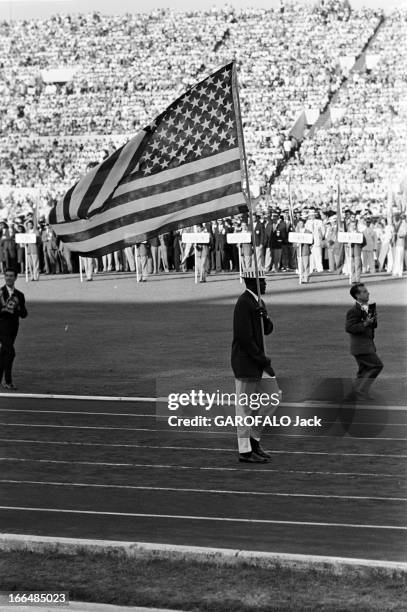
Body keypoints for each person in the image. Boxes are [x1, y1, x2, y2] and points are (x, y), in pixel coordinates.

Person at [231, 269, 281, 463]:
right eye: (263, 280)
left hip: (258, 362)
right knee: (243, 409)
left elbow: (267, 330)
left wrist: (265, 317)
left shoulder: (258, 301)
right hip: (246, 363)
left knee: (273, 397)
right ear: (252, 282)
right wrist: (263, 360)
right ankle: (245, 451)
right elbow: (244, 338)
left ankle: (254, 438)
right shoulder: (244, 303)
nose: (266, 283)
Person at [345, 283, 383, 401]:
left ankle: (352, 395)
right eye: (364, 291)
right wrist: (365, 323)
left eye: (367, 291)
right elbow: (350, 328)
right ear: (357, 295)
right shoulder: (353, 311)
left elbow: (372, 326)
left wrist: (371, 321)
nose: (368, 293)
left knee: (364, 371)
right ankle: (360, 392)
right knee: (376, 366)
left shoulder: (368, 307)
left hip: (367, 345)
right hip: (361, 347)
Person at [0, 268, 28, 390]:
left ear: (16, 278)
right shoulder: (0, 293)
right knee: (11, 352)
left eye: (11, 276)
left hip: (13, 329)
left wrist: (17, 306)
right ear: (4, 277)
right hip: (1, 328)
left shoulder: (20, 295)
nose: (9, 278)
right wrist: (5, 308)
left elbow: (24, 314)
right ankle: (8, 381)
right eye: (7, 276)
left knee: (4, 354)